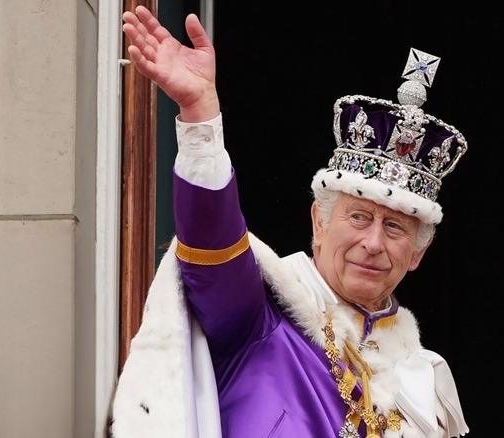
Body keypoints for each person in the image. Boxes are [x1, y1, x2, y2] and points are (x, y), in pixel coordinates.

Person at [112, 6, 469, 438]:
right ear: (318, 221)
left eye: (395, 228)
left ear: (418, 253)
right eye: (359, 217)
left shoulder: (424, 383)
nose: (373, 243)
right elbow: (212, 242)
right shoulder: (259, 317)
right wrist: (200, 112)